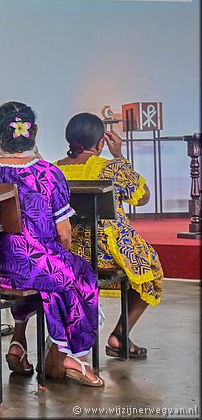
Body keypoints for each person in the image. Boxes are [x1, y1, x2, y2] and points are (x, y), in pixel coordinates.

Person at [0, 102, 102, 387]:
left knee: (40, 272)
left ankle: (18, 340)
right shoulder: (48, 173)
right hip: (29, 265)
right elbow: (64, 234)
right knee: (78, 273)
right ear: (35, 131)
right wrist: (58, 254)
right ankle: (71, 354)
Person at [55, 112, 162, 359]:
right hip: (103, 254)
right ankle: (120, 335)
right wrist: (119, 156)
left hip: (67, 251)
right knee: (150, 269)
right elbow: (143, 196)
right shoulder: (110, 167)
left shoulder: (54, 169)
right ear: (101, 142)